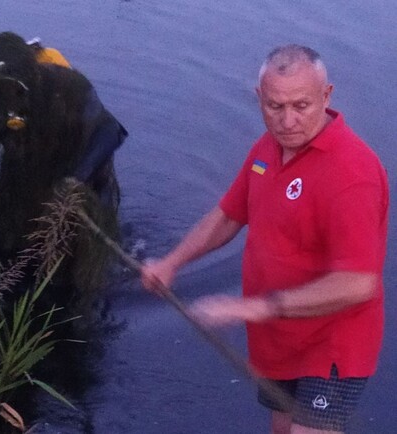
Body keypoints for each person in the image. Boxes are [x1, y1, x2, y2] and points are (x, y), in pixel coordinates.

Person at [141, 44, 389, 434]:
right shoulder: (267, 149)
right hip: (279, 340)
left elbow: (357, 283)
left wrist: (258, 307)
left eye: (301, 106)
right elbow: (229, 214)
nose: (287, 121)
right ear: (259, 98)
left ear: (326, 96)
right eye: (275, 106)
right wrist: (172, 262)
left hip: (332, 344)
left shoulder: (352, 174)